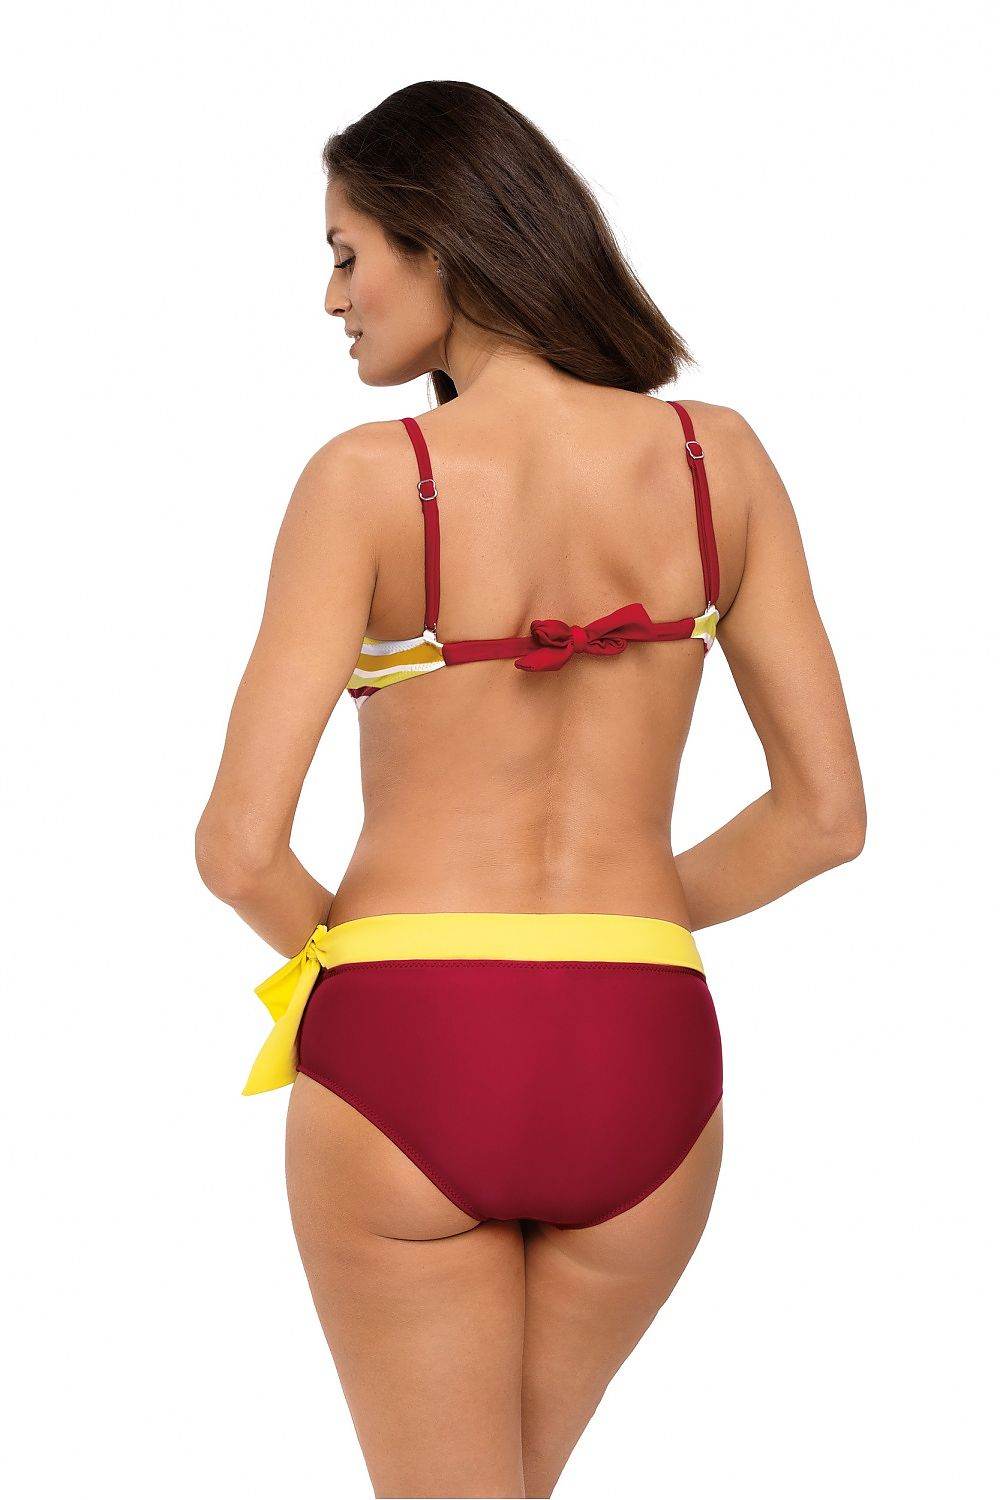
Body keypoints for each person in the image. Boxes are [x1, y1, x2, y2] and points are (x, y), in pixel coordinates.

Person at [195, 80, 866, 1500]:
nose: (333, 298)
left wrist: (367, 978)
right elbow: (824, 818)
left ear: (439, 242)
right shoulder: (721, 463)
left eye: (348, 254)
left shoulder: (368, 481)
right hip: (644, 1051)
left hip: (415, 1047)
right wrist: (622, 914)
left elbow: (239, 850)